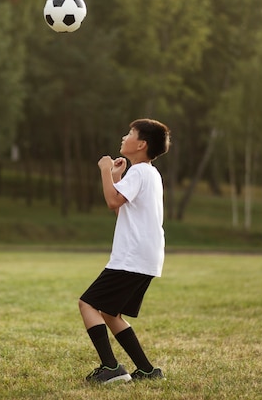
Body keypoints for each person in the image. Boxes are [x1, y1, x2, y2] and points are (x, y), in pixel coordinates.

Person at [79, 118, 171, 384]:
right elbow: (122, 209)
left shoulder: (140, 171)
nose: (124, 136)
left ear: (141, 144)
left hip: (131, 257)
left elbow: (111, 201)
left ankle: (110, 367)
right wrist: (117, 176)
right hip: (146, 257)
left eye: (130, 133)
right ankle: (146, 370)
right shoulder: (149, 173)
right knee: (109, 312)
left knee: (87, 303)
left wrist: (106, 170)